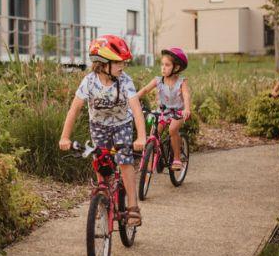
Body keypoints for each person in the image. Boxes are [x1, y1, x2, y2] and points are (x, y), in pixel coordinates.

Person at [59, 35, 147, 225]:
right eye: (118, 62)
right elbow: (74, 109)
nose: (122, 66)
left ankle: (133, 206)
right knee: (101, 161)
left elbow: (136, 110)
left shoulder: (125, 81)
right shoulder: (89, 82)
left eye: (123, 62)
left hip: (122, 124)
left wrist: (141, 137)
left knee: (124, 160)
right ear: (102, 64)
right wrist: (65, 137)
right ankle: (103, 200)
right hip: (98, 126)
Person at [137, 47, 192, 170]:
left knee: (172, 129)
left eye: (167, 65)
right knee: (154, 133)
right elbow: (145, 90)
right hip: (163, 112)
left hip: (178, 112)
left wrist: (187, 109)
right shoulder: (158, 80)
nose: (163, 68)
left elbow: (186, 95)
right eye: (162, 64)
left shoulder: (181, 82)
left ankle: (177, 158)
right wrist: (133, 99)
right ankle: (155, 156)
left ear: (176, 68)